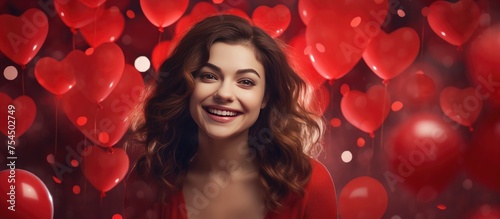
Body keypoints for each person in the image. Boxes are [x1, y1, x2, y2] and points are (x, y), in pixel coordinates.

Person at [125, 14, 337, 219]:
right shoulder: (151, 180)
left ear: (265, 97)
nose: (224, 94)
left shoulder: (310, 184)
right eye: (209, 76)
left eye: (245, 82)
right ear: (186, 86)